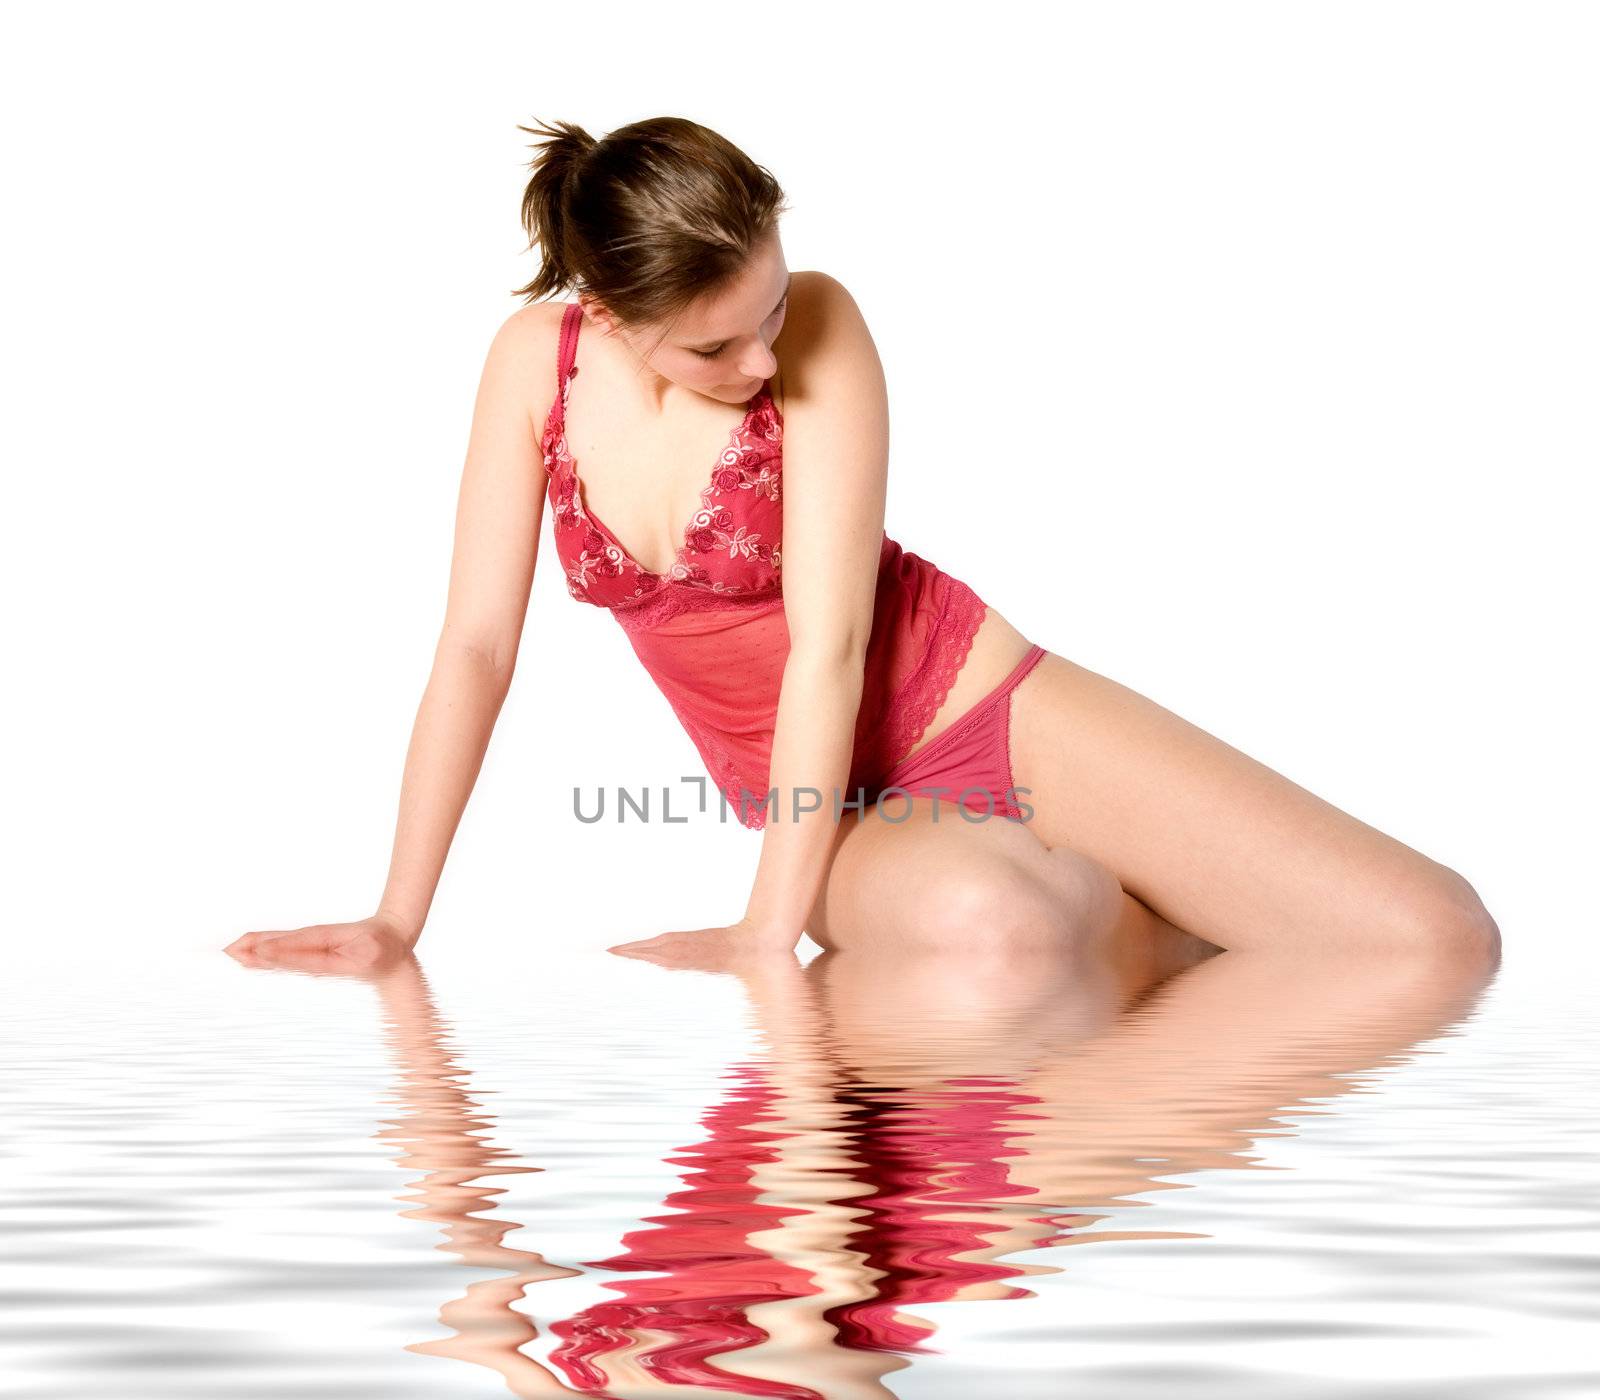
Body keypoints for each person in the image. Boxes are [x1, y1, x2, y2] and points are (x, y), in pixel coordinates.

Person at [224, 116, 1500, 980]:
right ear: (608, 315)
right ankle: (1160, 935)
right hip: (815, 795)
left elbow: (832, 646)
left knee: (1436, 938)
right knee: (991, 931)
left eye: (771, 312)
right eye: (716, 347)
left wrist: (765, 934)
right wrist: (399, 918)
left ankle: (1174, 919)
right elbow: (475, 647)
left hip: (969, 695)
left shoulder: (824, 326)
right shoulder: (530, 370)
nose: (766, 360)